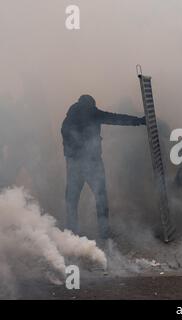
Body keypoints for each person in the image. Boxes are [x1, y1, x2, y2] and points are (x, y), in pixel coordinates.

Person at [61, 94, 146, 240]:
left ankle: (71, 232)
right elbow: (116, 118)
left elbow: (65, 137)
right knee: (101, 198)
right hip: (92, 163)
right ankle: (104, 232)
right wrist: (139, 121)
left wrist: (73, 154)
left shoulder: (69, 118)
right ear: (91, 105)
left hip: (75, 163)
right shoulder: (93, 112)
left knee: (72, 199)